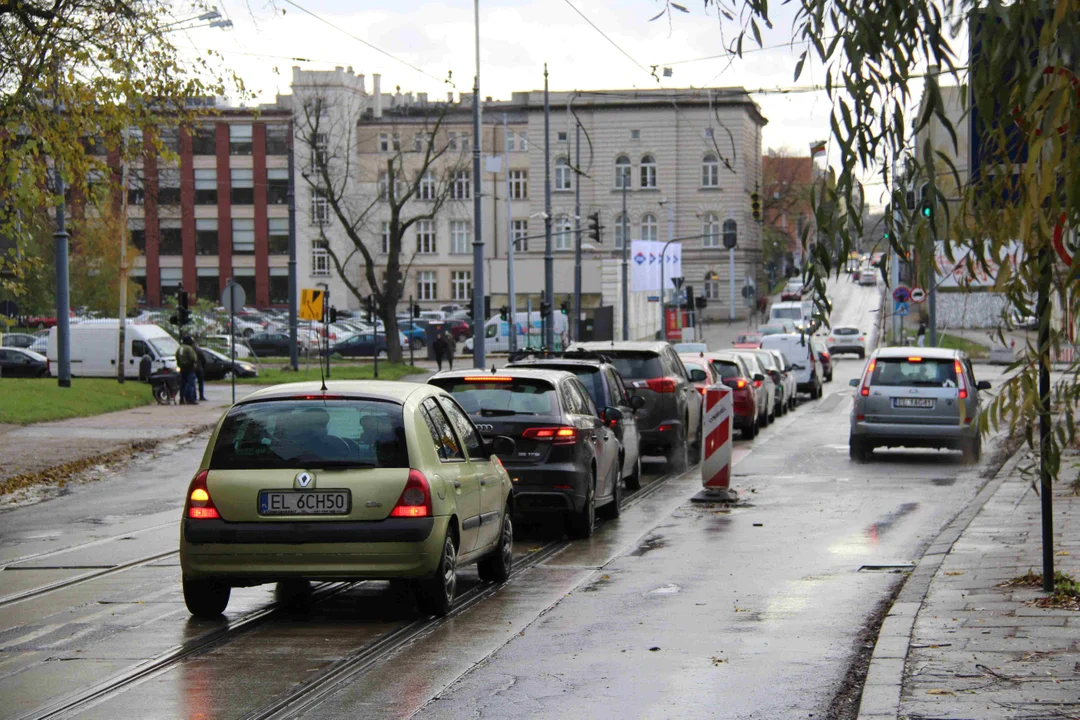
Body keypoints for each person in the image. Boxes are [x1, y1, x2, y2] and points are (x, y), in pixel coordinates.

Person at [175, 336, 199, 405]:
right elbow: (193, 358)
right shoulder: (189, 348)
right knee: (191, 384)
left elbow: (176, 357)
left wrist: (180, 364)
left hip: (182, 368)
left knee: (182, 384)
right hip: (190, 368)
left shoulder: (179, 348)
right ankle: (190, 399)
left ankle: (181, 399)